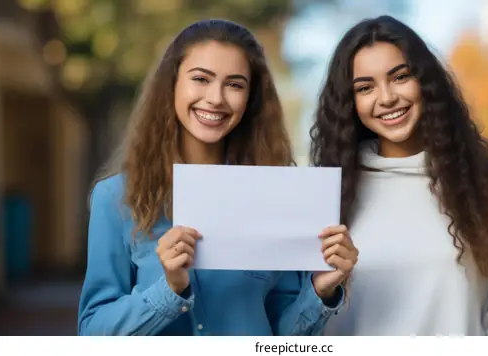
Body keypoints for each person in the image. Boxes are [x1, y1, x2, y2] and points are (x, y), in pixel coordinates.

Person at [77, 19, 358, 336]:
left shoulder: (277, 197)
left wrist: (320, 291)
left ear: (250, 99)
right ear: (172, 84)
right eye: (200, 79)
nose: (215, 98)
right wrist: (168, 289)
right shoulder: (116, 198)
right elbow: (92, 332)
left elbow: (284, 339)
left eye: (235, 84)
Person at [310, 15, 488, 336]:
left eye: (400, 77)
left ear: (426, 81)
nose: (387, 97)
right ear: (350, 102)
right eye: (365, 87)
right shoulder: (325, 195)